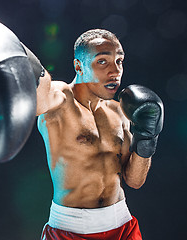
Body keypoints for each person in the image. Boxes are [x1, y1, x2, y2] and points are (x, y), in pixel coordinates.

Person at [30, 29, 164, 239]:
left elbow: (134, 180)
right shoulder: (60, 99)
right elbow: (39, 96)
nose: (115, 71)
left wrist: (147, 139)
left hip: (122, 225)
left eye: (119, 61)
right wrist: (20, 54)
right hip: (70, 229)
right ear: (78, 66)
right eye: (103, 61)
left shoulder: (120, 111)